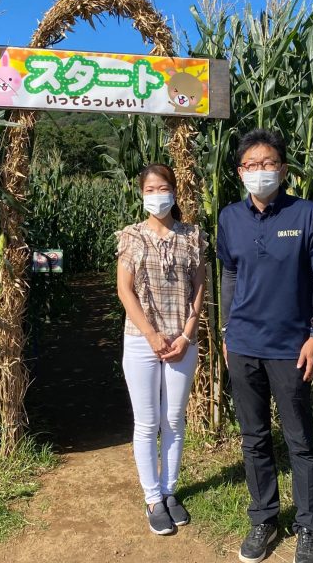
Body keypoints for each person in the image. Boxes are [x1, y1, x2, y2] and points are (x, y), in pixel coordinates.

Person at [217, 129, 313, 563]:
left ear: (283, 169)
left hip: (291, 346)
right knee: (254, 437)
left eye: (268, 163)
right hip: (243, 343)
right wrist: (227, 330)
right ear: (240, 172)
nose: (260, 171)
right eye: (251, 165)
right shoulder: (229, 218)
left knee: (300, 439)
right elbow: (230, 274)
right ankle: (263, 518)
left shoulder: (306, 214)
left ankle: (310, 526)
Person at [116, 163, 207, 535]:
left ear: (174, 191)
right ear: (142, 195)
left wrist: (186, 334)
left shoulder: (193, 235)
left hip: (183, 341)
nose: (157, 195)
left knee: (173, 420)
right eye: (150, 190)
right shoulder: (131, 236)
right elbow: (125, 290)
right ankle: (152, 498)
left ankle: (169, 491)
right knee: (147, 422)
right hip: (142, 341)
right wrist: (152, 335)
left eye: (163, 188)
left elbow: (199, 288)